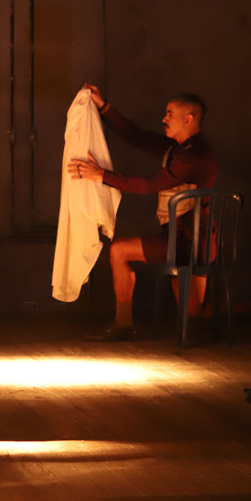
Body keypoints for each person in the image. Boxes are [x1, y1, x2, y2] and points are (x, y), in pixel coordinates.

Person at [67, 84, 217, 341]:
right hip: (180, 241)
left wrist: (100, 175)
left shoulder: (194, 155)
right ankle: (123, 323)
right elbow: (136, 136)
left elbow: (149, 185)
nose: (164, 119)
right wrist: (103, 106)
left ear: (188, 119)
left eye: (170, 114)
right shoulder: (177, 148)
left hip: (191, 245)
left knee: (196, 318)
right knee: (195, 317)